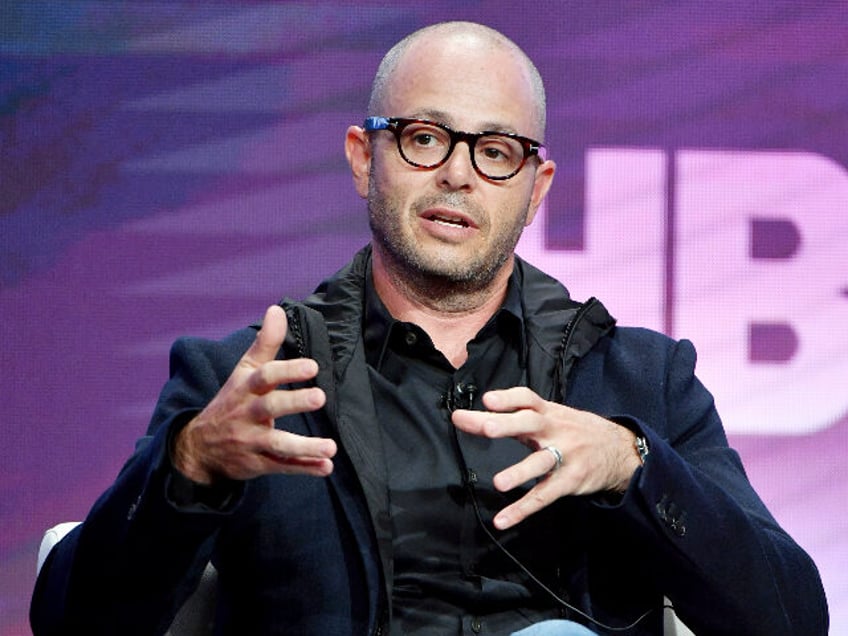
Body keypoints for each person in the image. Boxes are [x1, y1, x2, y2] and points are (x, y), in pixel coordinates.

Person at [31, 21, 828, 636]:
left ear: (536, 184)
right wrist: (190, 468)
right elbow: (73, 621)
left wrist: (634, 466)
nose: (457, 172)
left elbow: (790, 619)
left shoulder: (639, 383)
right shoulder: (249, 386)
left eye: (496, 151)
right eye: (424, 138)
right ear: (361, 156)